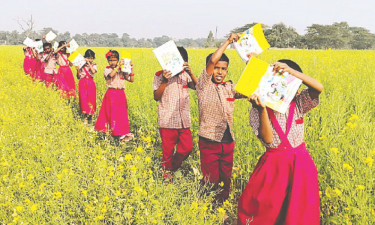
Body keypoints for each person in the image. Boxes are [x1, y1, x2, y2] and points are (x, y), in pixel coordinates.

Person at [237, 60, 323, 225]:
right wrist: (262, 109)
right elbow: (268, 139)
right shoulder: (258, 108)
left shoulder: (299, 103)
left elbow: (318, 87)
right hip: (273, 165)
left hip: (300, 163)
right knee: (266, 207)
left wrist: (291, 71)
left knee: (300, 209)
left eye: (288, 81)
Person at [196, 33, 247, 204]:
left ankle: (220, 204)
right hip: (209, 139)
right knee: (211, 178)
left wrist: (250, 60)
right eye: (217, 68)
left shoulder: (229, 88)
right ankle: (205, 203)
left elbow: (248, 87)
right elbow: (211, 61)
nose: (220, 72)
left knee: (226, 177)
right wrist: (228, 42)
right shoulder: (203, 85)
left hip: (227, 141)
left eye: (223, 69)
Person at [153, 46, 197, 181]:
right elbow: (156, 96)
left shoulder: (185, 76)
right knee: (167, 152)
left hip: (184, 121)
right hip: (167, 121)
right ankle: (167, 178)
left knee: (187, 148)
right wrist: (165, 81)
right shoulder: (160, 75)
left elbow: (198, 87)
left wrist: (191, 73)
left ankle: (172, 167)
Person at [95, 50, 134, 142]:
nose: (112, 62)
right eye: (110, 60)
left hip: (120, 94)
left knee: (121, 114)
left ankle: (121, 133)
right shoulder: (107, 69)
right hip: (111, 94)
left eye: (115, 60)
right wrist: (118, 67)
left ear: (118, 60)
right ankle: (112, 133)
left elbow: (131, 79)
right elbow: (111, 75)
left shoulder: (122, 70)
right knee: (111, 113)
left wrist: (131, 68)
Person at [77, 49, 97, 124]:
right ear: (85, 58)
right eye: (88, 58)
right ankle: (85, 117)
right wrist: (78, 70)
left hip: (91, 82)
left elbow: (93, 71)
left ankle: (90, 116)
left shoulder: (94, 65)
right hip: (82, 82)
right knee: (83, 99)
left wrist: (88, 64)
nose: (90, 60)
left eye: (92, 58)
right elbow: (78, 77)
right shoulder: (81, 66)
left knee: (91, 99)